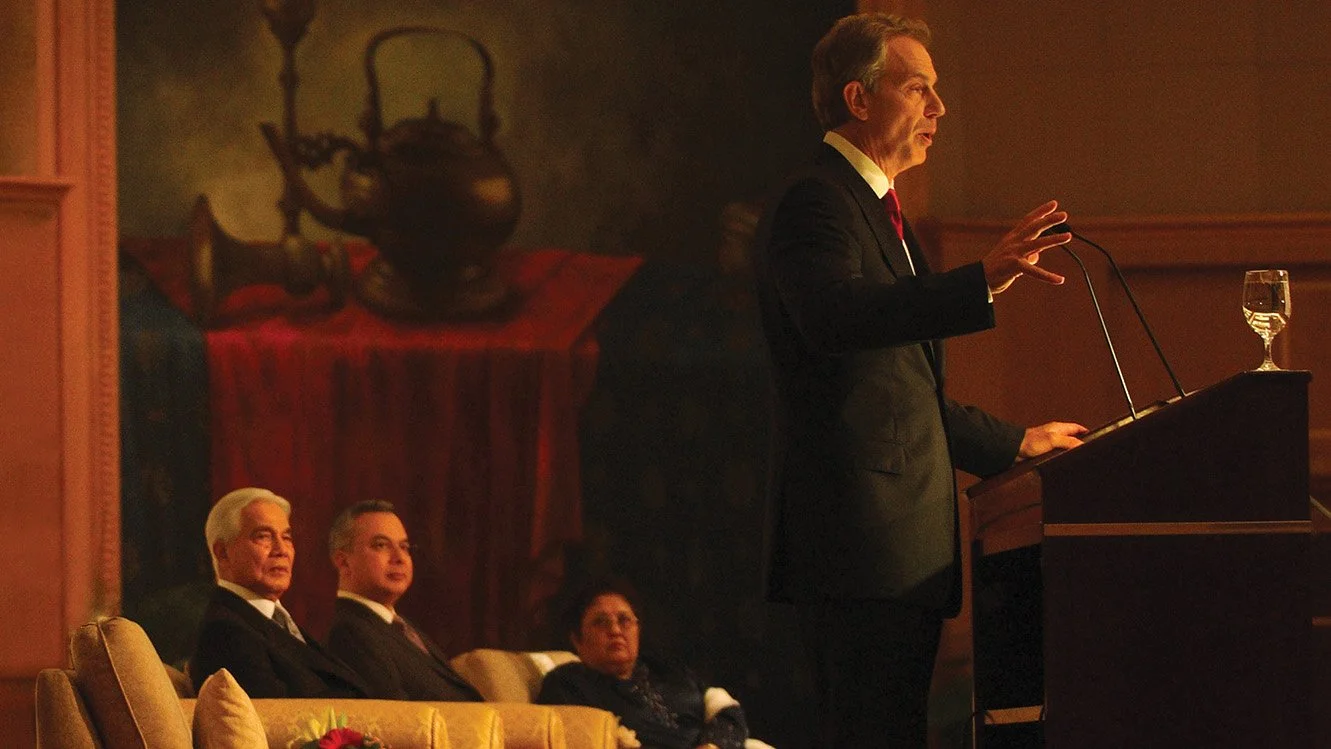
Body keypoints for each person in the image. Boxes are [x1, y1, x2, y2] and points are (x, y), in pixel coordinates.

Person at [752, 12, 1087, 747]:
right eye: (918, 89)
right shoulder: (817, 199)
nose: (939, 109)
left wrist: (1015, 441)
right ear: (858, 98)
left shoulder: (877, 211)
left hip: (892, 550)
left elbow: (898, 391)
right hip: (858, 546)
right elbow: (834, 319)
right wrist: (979, 281)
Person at [191, 487, 368, 698]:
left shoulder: (275, 622)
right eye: (263, 537)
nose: (281, 550)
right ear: (223, 552)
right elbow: (280, 720)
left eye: (287, 538)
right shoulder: (224, 632)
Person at [536, 579, 748, 749]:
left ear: (638, 629)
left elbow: (726, 712)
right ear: (577, 639)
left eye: (624, 620)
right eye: (601, 622)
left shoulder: (666, 670)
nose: (616, 630)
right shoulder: (568, 684)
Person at [324, 500, 483, 702]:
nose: (399, 557)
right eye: (381, 545)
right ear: (344, 562)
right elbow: (397, 720)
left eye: (404, 547)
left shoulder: (400, 627)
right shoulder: (350, 632)